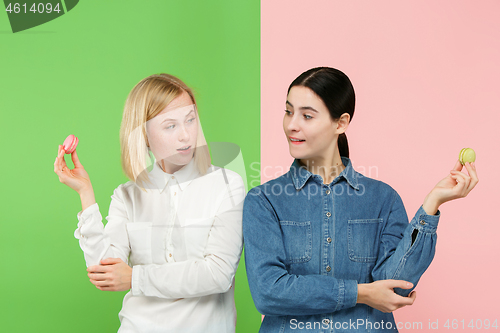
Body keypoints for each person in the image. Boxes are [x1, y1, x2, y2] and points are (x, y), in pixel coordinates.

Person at [242, 67, 478, 332]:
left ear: (341, 123)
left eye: (307, 115)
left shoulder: (382, 199)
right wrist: (360, 293)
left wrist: (432, 204)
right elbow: (268, 292)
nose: (291, 125)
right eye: (288, 111)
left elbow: (395, 286)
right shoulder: (263, 201)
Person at [54, 73, 245, 333]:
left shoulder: (227, 184)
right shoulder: (127, 195)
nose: (186, 136)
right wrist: (85, 194)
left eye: (190, 120)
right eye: (170, 126)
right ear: (143, 134)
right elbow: (105, 271)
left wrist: (135, 277)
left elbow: (218, 274)